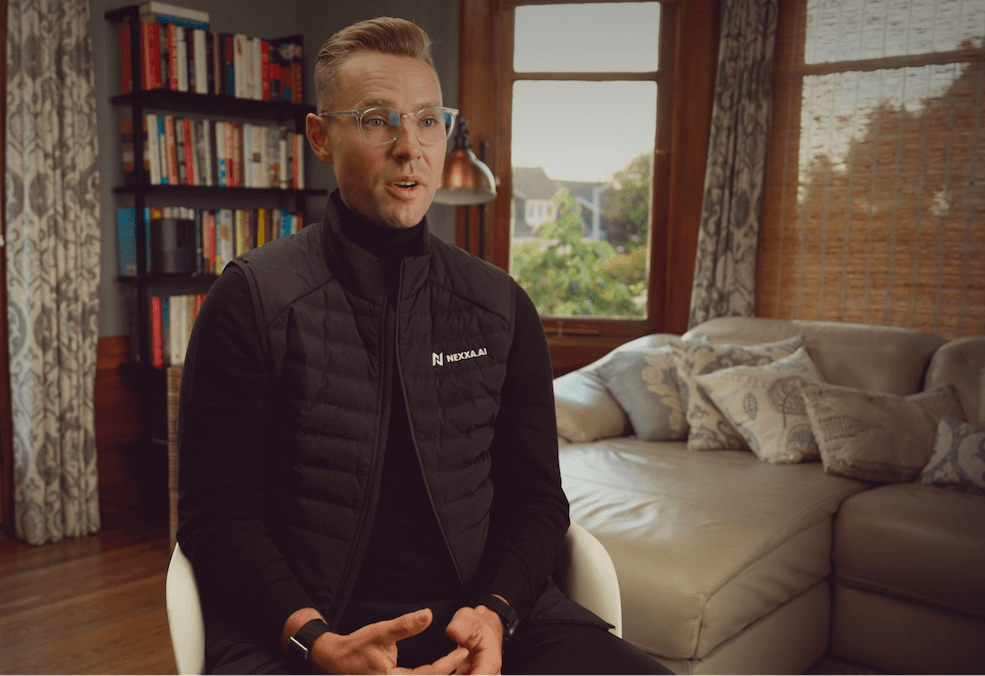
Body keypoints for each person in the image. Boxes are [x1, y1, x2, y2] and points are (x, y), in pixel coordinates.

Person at [176, 16, 672, 676]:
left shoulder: (499, 306)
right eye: (377, 120)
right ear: (321, 137)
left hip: (486, 626)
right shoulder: (252, 299)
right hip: (307, 633)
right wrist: (317, 641)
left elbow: (536, 502)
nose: (409, 147)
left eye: (428, 120)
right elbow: (217, 518)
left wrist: (495, 615)